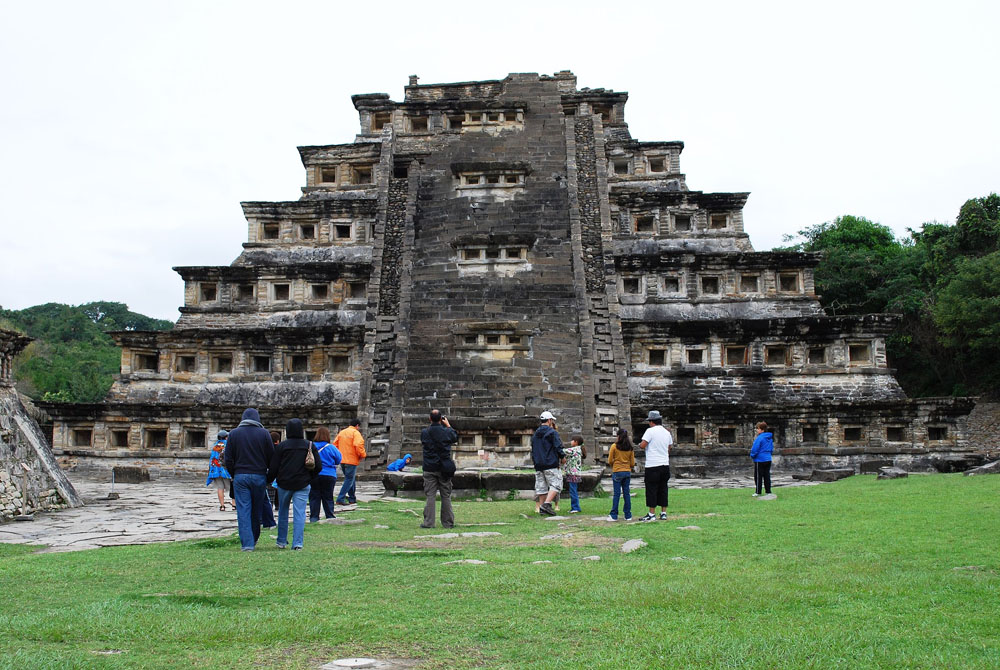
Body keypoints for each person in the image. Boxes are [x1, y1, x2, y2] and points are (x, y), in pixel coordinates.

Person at [223, 408, 275, 551]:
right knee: (256, 509)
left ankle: (247, 544)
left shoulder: (233, 434)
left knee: (243, 509)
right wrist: (268, 476)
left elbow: (228, 458)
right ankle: (254, 537)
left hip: (240, 475)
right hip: (259, 475)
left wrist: (234, 474)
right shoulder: (264, 434)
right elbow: (272, 457)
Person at [267, 418, 321, 550]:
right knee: (300, 513)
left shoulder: (282, 446)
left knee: (283, 512)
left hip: (284, 483)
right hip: (302, 484)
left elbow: (274, 467)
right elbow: (318, 466)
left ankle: (281, 541)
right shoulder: (309, 445)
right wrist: (309, 478)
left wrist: (269, 479)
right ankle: (297, 543)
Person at [420, 410, 458, 529]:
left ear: (430, 419)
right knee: (445, 495)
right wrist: (448, 425)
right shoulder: (446, 432)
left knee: (430, 495)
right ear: (441, 418)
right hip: (444, 467)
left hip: (430, 467)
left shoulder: (425, 432)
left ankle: (429, 523)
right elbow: (455, 437)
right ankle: (448, 523)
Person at [638, 410, 672, 522]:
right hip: (664, 464)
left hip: (653, 465)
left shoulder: (650, 431)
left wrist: (639, 444)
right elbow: (669, 448)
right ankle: (663, 512)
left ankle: (651, 513)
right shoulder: (667, 432)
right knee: (663, 488)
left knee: (652, 489)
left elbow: (643, 445)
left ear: (652, 421)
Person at [531, 410, 565, 516]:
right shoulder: (552, 432)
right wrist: (562, 456)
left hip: (538, 464)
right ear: (549, 420)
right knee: (557, 484)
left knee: (542, 487)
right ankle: (546, 504)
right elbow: (557, 446)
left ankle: (542, 508)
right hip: (550, 463)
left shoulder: (535, 434)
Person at [309, 426, 341, 522]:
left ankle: (314, 517)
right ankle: (329, 515)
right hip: (329, 474)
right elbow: (338, 459)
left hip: (314, 474)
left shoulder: (311, 446)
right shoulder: (331, 447)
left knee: (314, 496)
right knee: (328, 496)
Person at [334, 418, 366, 506]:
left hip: (342, 459)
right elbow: (358, 445)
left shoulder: (342, 432)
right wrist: (363, 455)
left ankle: (352, 498)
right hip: (351, 459)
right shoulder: (355, 433)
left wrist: (339, 455)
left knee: (351, 479)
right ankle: (340, 498)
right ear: (357, 425)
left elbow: (335, 444)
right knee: (349, 479)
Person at [606, 428, 635, 521]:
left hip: (617, 471)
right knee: (626, 494)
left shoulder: (614, 446)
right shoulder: (630, 448)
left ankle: (614, 515)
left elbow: (610, 460)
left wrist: (614, 464)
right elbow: (632, 463)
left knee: (617, 494)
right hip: (627, 471)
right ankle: (628, 515)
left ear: (618, 436)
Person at [205, 430, 232, 511]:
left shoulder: (215, 446)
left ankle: (222, 506)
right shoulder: (228, 445)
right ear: (226, 437)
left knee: (220, 488)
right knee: (232, 488)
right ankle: (234, 505)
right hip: (226, 470)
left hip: (215, 470)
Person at [561, 436, 586, 514]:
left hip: (573, 473)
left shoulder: (575, 449)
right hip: (575, 473)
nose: (571, 442)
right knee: (573, 490)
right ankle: (575, 507)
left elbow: (563, 451)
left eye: (572, 440)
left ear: (576, 442)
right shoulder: (579, 450)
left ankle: (575, 507)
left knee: (573, 491)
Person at [750, 421, 774, 497]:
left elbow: (755, 448)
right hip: (768, 458)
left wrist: (752, 455)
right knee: (767, 475)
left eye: (758, 428)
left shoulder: (759, 438)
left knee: (758, 476)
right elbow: (771, 448)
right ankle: (768, 491)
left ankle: (758, 491)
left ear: (762, 430)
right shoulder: (769, 438)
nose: (757, 430)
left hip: (759, 459)